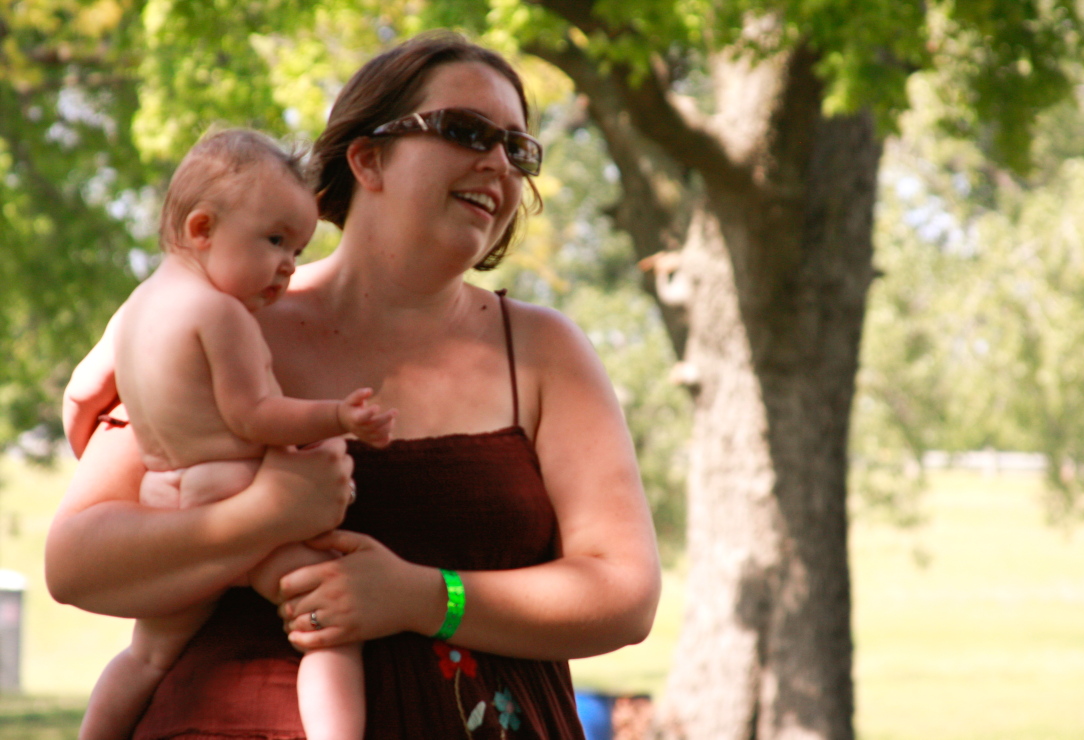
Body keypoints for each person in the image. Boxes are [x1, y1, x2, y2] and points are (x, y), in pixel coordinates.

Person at [46, 30, 661, 739]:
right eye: (466, 131)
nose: (498, 163)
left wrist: (425, 598)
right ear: (368, 158)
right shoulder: (226, 318)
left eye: (517, 149)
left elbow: (624, 594)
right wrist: (263, 517)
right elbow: (77, 565)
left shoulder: (545, 350)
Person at [63, 129, 395, 740]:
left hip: (165, 498)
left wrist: (87, 446)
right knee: (327, 626)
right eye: (275, 241)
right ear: (202, 229)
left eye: (297, 249)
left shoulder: (134, 308)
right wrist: (338, 418)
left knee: (146, 657)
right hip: (234, 493)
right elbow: (254, 416)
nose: (289, 265)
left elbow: (82, 394)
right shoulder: (222, 314)